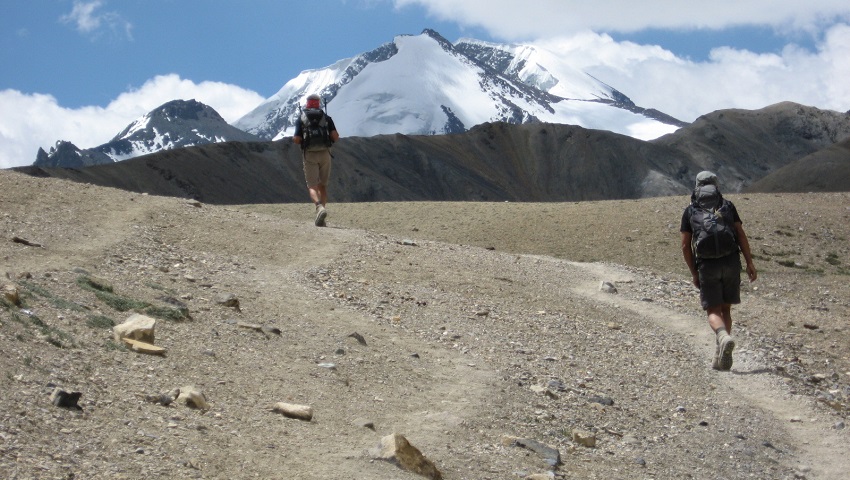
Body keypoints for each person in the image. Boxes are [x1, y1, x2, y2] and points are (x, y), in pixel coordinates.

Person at [680, 171, 757, 371]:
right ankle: (720, 355)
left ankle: (722, 338)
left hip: (707, 264)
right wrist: (749, 263)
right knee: (726, 309)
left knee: (713, 310)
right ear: (716, 185)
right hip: (731, 262)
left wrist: (694, 273)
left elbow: (685, 246)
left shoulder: (690, 211)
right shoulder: (727, 206)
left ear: (697, 186)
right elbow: (740, 234)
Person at [292, 94, 339, 226]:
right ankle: (322, 214)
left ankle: (319, 207)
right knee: (322, 185)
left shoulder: (301, 118)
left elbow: (297, 139)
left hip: (309, 154)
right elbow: (335, 136)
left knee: (312, 185)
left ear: (307, 103)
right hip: (325, 153)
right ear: (318, 103)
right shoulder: (326, 117)